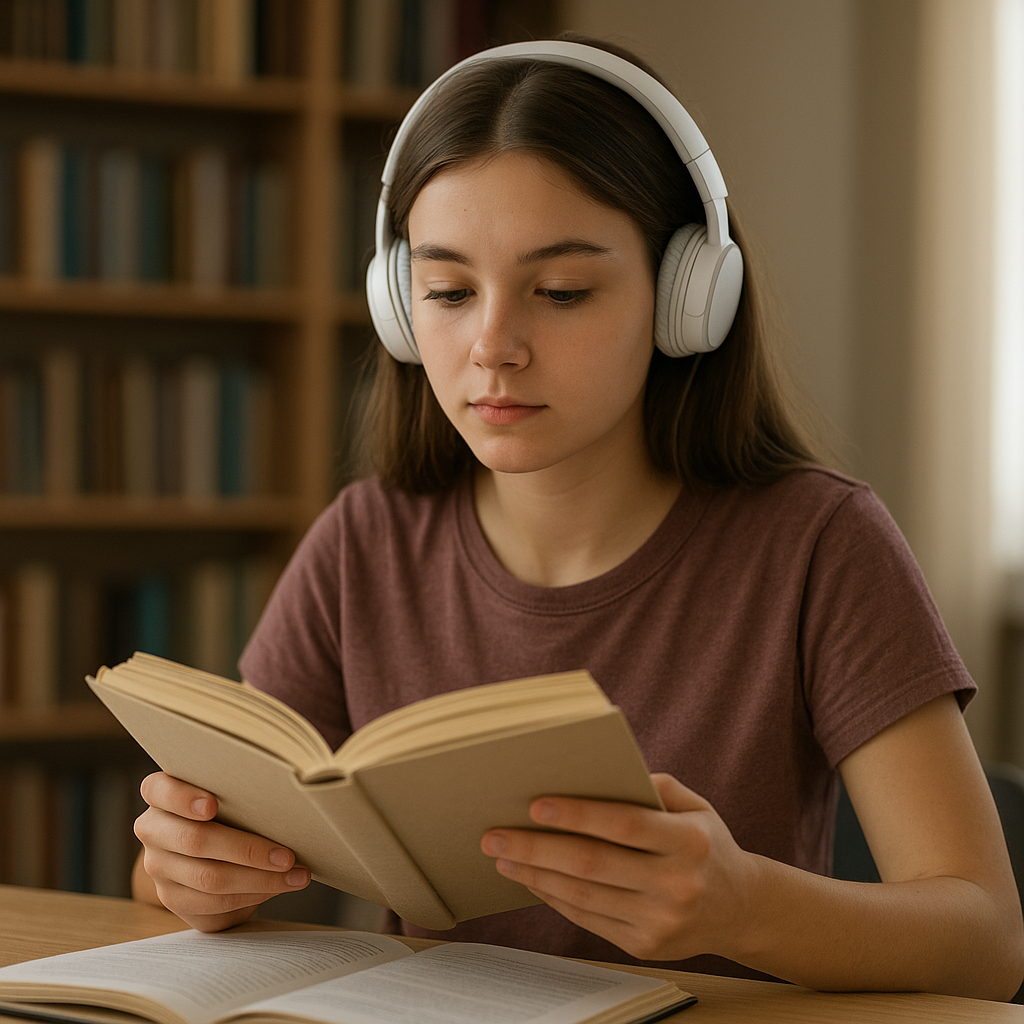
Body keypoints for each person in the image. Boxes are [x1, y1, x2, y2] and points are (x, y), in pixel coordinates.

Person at [131, 36, 1024, 999]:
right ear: (398, 307)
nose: (493, 347)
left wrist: (742, 907)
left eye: (560, 292)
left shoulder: (818, 543)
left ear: (689, 297)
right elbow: (172, 875)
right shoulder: (365, 541)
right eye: (447, 292)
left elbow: (985, 939)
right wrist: (187, 871)